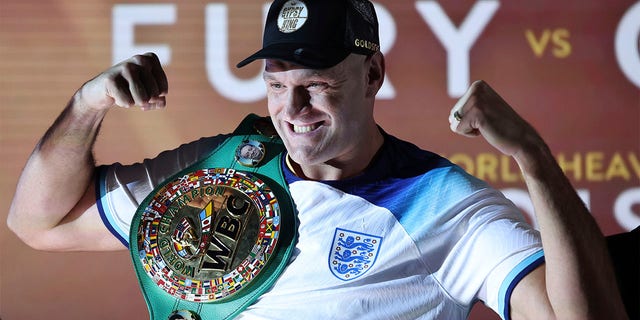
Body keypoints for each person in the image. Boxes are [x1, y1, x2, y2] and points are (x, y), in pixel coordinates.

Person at [7, 0, 628, 319]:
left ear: (372, 74)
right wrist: (88, 104)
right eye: (277, 85)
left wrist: (533, 156)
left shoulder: (444, 205)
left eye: (318, 84)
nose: (293, 108)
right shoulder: (222, 168)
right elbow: (41, 222)